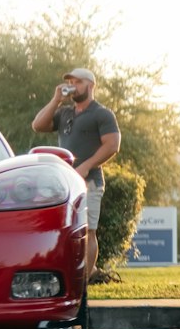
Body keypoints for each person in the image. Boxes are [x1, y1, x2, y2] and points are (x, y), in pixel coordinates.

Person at [33, 68, 121, 281]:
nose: (72, 86)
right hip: (65, 183)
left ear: (90, 85)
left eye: (77, 82)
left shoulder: (102, 113)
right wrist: (56, 100)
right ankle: (70, 277)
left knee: (88, 230)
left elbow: (112, 145)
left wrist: (87, 166)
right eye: (70, 81)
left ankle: (85, 280)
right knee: (65, 230)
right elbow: (38, 125)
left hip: (90, 181)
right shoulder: (65, 113)